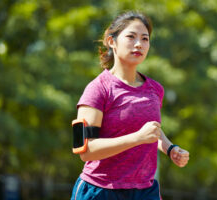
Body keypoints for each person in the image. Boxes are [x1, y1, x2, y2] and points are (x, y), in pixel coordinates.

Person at [70, 11, 189, 200]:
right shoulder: (97, 89)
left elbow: (151, 131)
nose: (139, 44)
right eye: (131, 37)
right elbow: (85, 151)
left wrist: (170, 148)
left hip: (145, 191)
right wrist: (137, 138)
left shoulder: (155, 89)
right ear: (111, 41)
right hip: (100, 190)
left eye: (145, 39)